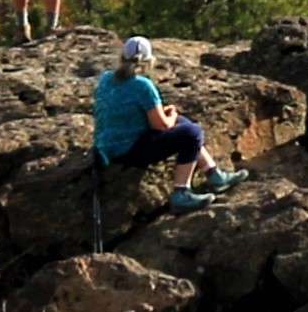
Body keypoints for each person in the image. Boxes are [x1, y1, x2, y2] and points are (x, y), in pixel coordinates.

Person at [90, 35, 237, 212]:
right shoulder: (142, 85)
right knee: (192, 133)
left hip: (107, 146)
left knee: (182, 122)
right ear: (148, 61)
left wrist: (171, 117)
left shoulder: (106, 79)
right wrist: (172, 114)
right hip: (128, 150)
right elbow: (161, 126)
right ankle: (181, 193)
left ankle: (213, 174)